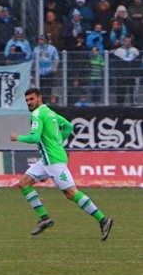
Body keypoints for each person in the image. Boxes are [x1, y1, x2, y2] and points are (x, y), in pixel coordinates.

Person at [9, 88, 112, 240]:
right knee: (23, 183)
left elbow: (35, 138)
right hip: (47, 160)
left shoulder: (37, 114)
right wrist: (58, 142)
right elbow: (69, 126)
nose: (29, 103)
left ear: (39, 98)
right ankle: (45, 219)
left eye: (31, 99)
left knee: (71, 193)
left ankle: (103, 220)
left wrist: (18, 137)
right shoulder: (50, 112)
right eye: (27, 101)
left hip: (54, 162)